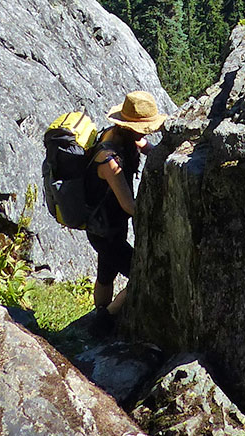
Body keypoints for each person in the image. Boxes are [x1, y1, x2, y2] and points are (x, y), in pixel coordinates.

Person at [83, 90, 166, 334]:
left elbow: (148, 147)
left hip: (106, 227)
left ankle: (99, 312)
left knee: (106, 273)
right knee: (142, 275)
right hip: (105, 230)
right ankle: (104, 321)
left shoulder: (120, 136)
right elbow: (129, 205)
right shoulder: (110, 161)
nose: (146, 133)